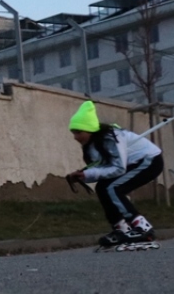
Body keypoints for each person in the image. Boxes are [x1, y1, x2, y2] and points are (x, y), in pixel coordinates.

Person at [66, 100, 164, 247]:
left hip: (149, 161)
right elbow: (103, 167)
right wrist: (84, 174)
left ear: (90, 130)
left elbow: (118, 168)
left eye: (78, 132)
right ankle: (121, 229)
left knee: (113, 188)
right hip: (132, 164)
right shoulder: (93, 144)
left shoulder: (111, 138)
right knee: (102, 187)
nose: (75, 137)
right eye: (73, 133)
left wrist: (88, 174)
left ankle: (143, 228)